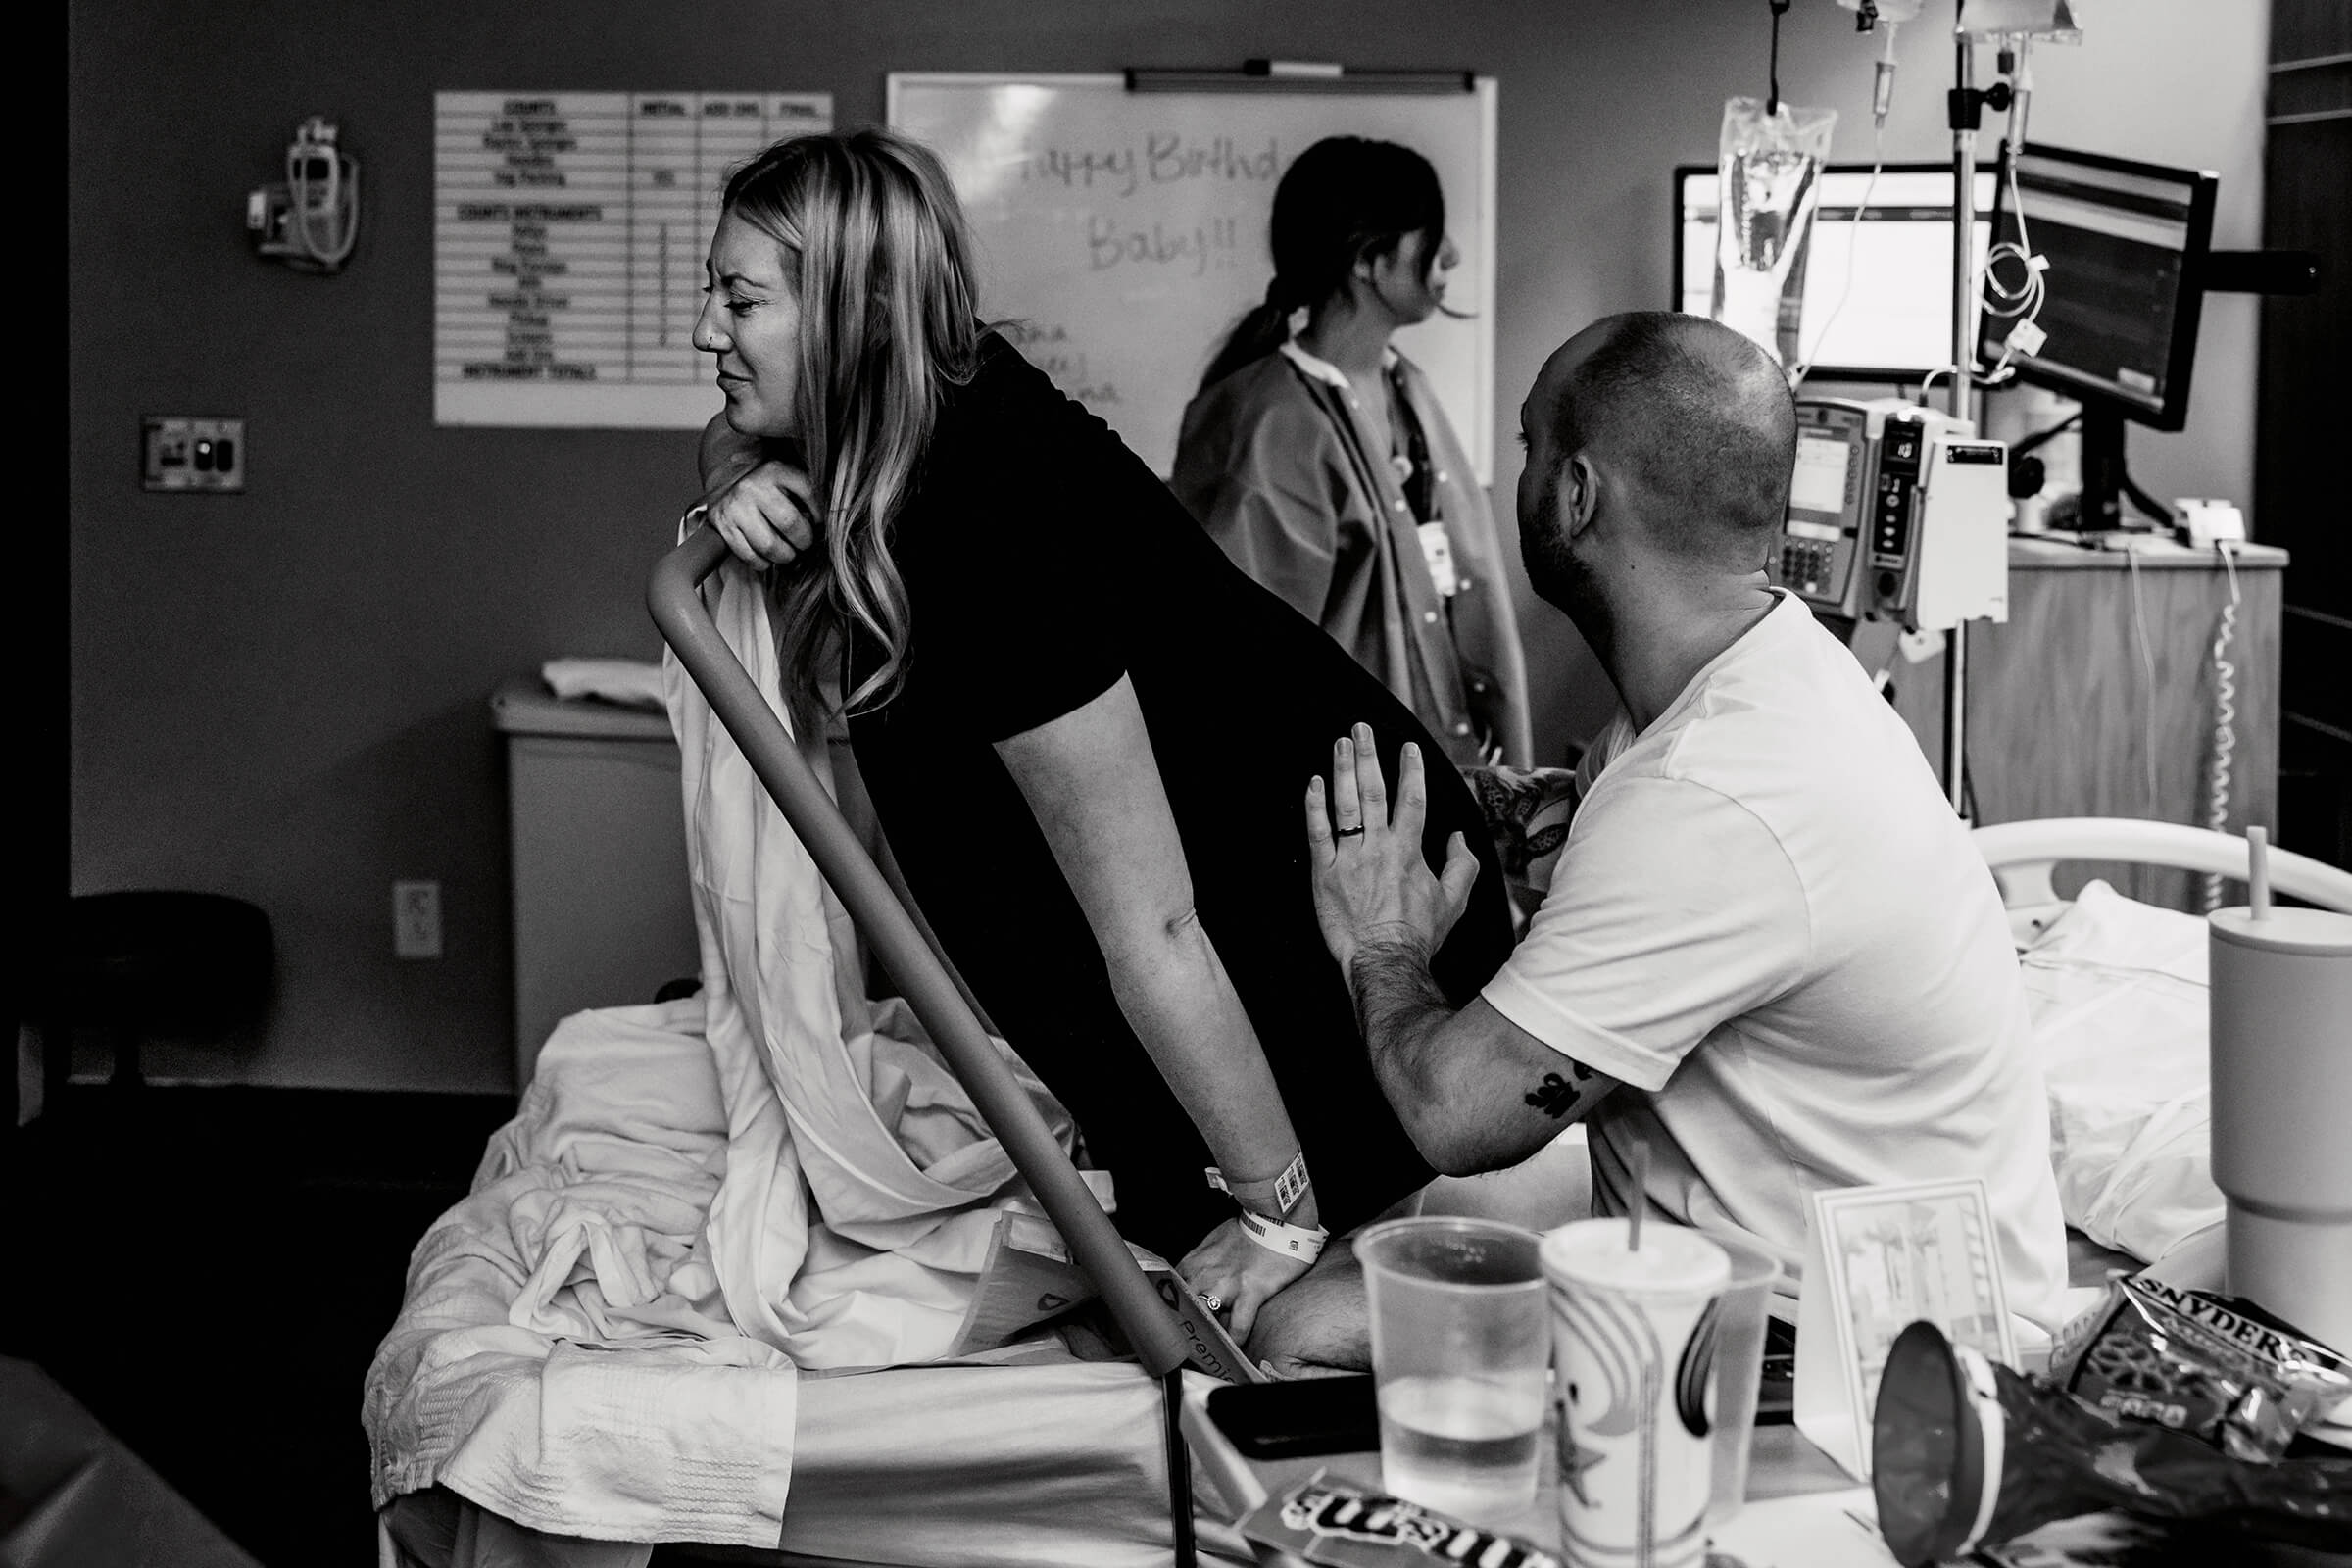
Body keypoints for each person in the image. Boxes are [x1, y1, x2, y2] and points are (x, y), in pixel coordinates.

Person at [682, 128, 1517, 1343]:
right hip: (1272, 897)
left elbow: (1160, 930)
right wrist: (728, 470)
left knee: (1260, 1298)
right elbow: (742, 423)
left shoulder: (984, 525)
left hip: (1346, 913)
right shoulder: (934, 388)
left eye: (739, 298)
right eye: (714, 290)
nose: (707, 329)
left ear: (860, 311)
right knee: (1189, 1203)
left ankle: (1326, 1229)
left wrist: (1279, 1210)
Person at [1256, 312, 2069, 1370]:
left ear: (1578, 494)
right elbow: (1588, 828)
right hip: (1828, 1252)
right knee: (1402, 1217)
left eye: (1528, 448)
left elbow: (1455, 1111)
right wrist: (1469, 803)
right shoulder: (1752, 669)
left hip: (1867, 1350)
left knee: (1303, 1327)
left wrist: (1381, 940)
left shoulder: (1715, 797)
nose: (1519, 479)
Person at [1171, 137, 1533, 771]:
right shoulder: (1273, 424)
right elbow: (1243, 670)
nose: (1451, 254)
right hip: (1340, 803)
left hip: (1431, 774)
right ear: (1369, 260)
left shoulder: (1404, 384)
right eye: (1432, 234)